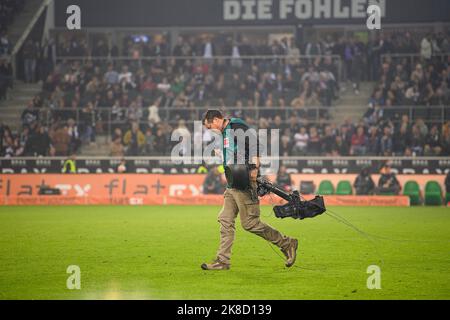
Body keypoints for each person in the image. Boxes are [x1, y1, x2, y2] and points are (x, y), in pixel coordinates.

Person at [200, 110, 297, 270]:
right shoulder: (225, 134)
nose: (210, 130)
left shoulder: (236, 125)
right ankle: (223, 261)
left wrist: (253, 167)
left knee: (250, 223)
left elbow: (255, 144)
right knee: (225, 219)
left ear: (217, 120)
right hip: (232, 185)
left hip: (244, 183)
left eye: (210, 126)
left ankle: (287, 243)